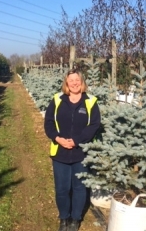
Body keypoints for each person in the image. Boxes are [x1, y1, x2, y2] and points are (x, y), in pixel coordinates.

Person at [44, 69, 101, 231]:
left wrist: (76, 141)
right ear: (66, 83)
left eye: (77, 80)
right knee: (62, 189)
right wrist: (58, 138)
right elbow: (48, 123)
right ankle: (64, 218)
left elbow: (94, 125)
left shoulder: (90, 102)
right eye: (71, 80)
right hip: (60, 152)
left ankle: (75, 219)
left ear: (82, 82)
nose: (74, 83)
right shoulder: (57, 100)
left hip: (81, 153)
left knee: (79, 188)